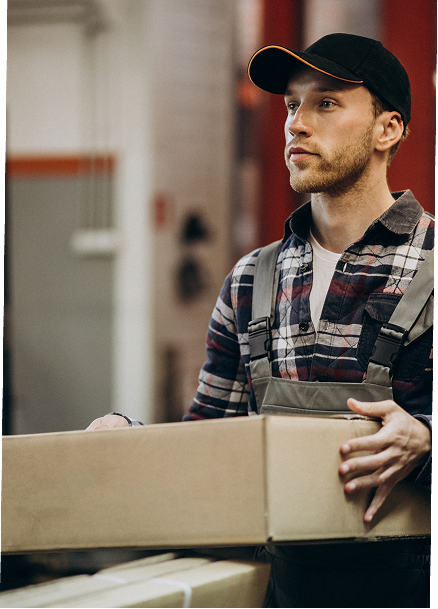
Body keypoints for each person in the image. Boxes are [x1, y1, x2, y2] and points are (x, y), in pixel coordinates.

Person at [87, 33, 432, 608]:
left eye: (325, 103)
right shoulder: (252, 280)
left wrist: (426, 440)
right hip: (289, 590)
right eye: (293, 105)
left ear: (387, 129)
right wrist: (133, 443)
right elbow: (212, 444)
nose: (297, 124)